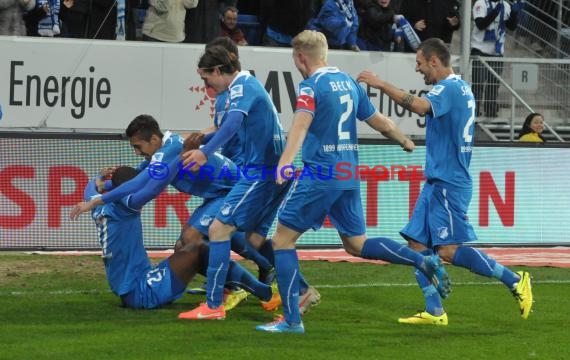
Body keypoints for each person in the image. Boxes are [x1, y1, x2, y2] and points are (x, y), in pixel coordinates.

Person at [255, 30, 451, 334]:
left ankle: (292, 321)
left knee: (281, 240)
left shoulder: (310, 87)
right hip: (348, 172)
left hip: (321, 172)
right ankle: (420, 260)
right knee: (356, 245)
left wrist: (285, 162)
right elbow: (380, 121)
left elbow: (300, 126)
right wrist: (404, 140)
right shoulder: (347, 81)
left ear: (300, 57)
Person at [357, 37, 533, 326]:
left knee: (448, 250)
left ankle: (516, 280)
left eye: (419, 63)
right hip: (437, 182)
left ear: (434, 61)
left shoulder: (448, 88)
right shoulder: (461, 87)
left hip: (449, 183)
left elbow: (420, 107)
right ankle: (435, 311)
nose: (418, 69)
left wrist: (380, 84)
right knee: (416, 245)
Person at [69, 115, 275, 312]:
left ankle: (236, 287)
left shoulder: (169, 151)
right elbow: (139, 178)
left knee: (192, 239)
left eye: (138, 147)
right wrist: (105, 186)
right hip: (219, 193)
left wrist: (99, 190)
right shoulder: (166, 150)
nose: (136, 153)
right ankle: (260, 271)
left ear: (154, 139)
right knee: (185, 245)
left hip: (233, 191)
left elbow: (145, 186)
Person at [178, 45, 320, 321]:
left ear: (218, 71)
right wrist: (202, 139)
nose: (205, 85)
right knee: (254, 239)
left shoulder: (241, 87)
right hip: (275, 171)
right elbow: (227, 129)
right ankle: (302, 290)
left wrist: (204, 152)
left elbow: (230, 127)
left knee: (218, 229)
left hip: (261, 172)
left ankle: (213, 305)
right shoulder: (245, 86)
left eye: (207, 78)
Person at [471, 0, 523, 117]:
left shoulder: (506, 5)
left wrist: (514, 14)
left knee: (493, 84)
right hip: (480, 50)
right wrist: (495, 11)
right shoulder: (481, 3)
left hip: (497, 51)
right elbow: (481, 24)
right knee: (478, 83)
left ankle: (491, 111)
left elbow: (511, 27)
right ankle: (474, 112)